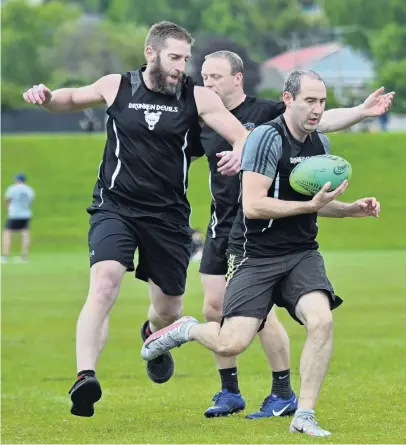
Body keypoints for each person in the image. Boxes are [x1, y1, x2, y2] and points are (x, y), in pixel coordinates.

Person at [22, 21, 250, 418]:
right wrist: (46, 97)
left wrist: (241, 152)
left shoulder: (196, 98)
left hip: (168, 217)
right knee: (104, 284)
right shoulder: (117, 86)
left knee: (169, 311)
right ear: (151, 54)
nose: (181, 66)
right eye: (174, 57)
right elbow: (70, 98)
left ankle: (152, 334)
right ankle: (84, 376)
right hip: (116, 207)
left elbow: (241, 134)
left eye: (184, 59)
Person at [141, 70, 381, 436]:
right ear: (288, 100)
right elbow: (253, 206)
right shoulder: (266, 140)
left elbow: (315, 204)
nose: (317, 110)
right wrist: (308, 207)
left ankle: (305, 415)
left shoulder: (320, 146)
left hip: (301, 252)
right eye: (309, 101)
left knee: (322, 321)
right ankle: (187, 329)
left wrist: (349, 209)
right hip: (256, 254)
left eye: (322, 102)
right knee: (231, 341)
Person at [195, 51, 394, 418]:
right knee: (219, 319)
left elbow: (319, 119)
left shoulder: (271, 114)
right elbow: (174, 156)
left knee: (307, 318)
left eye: (215, 76)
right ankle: (219, 375)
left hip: (286, 240)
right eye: (203, 76)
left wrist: (361, 114)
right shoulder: (205, 119)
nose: (207, 83)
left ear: (237, 77)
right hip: (231, 224)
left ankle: (293, 403)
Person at [2, 174, 35, 264]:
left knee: (7, 233)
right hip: (26, 214)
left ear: (16, 180)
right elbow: (30, 201)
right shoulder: (29, 190)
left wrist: (8, 208)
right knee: (25, 234)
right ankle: (24, 256)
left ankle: (5, 256)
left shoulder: (12, 188)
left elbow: (8, 200)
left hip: (14, 214)